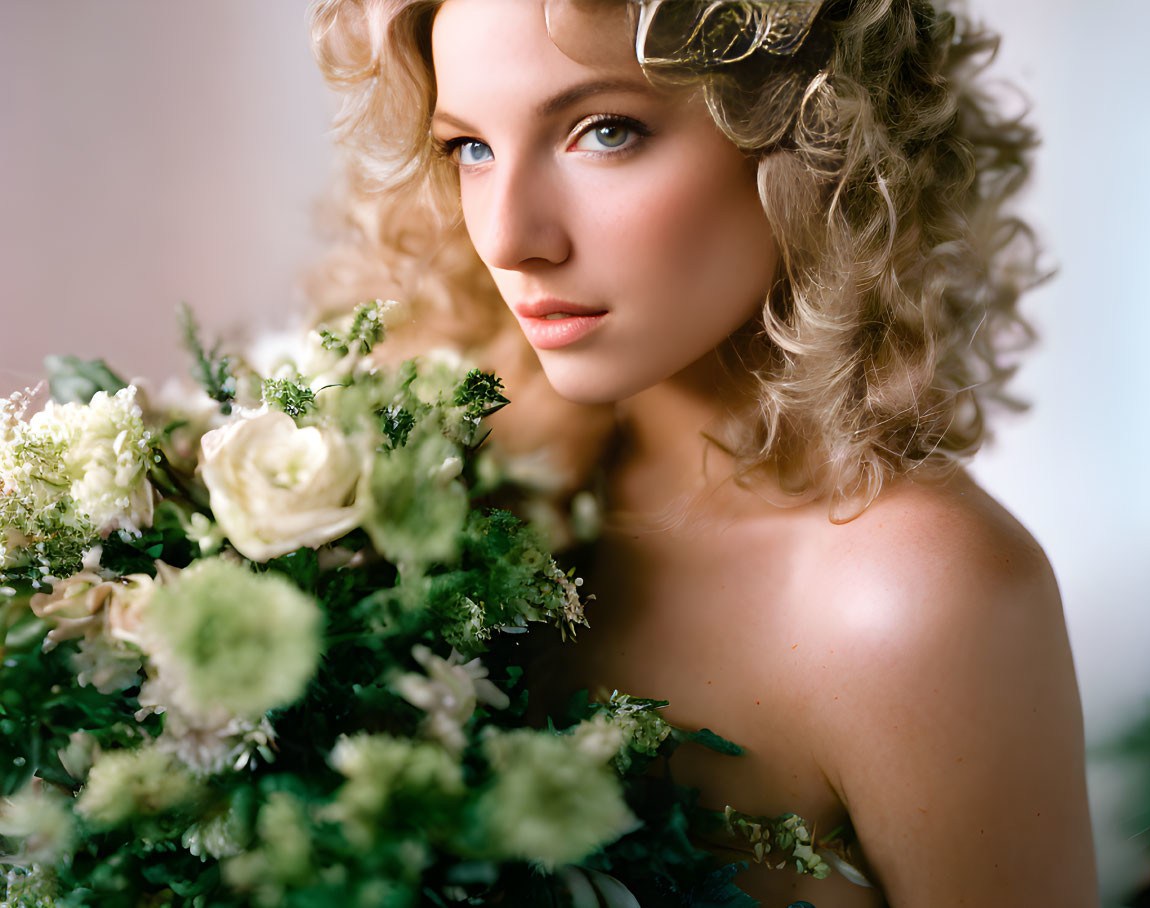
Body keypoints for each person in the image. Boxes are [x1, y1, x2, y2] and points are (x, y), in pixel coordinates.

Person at [307, 0, 1098, 904]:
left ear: (810, 137)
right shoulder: (432, 491)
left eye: (604, 131)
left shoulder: (912, 599)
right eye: (470, 149)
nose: (509, 237)